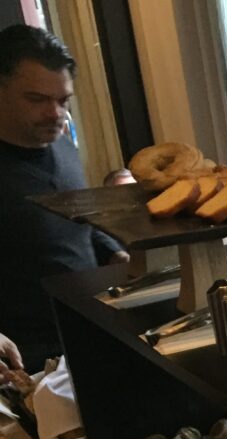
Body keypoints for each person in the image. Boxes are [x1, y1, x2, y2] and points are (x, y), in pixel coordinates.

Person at [0, 24, 129, 372]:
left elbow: (78, 215)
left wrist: (112, 250)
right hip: (26, 358)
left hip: (93, 329)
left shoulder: (62, 142)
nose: (55, 113)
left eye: (63, 100)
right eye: (37, 99)